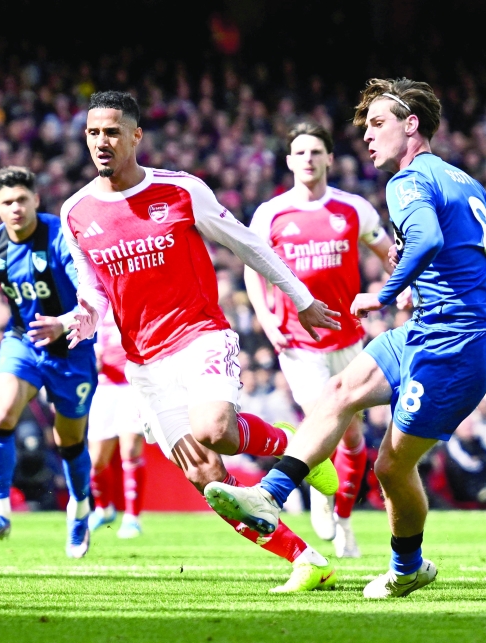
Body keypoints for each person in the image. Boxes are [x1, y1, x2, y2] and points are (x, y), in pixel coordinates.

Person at [203, 78, 486, 599]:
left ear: (411, 125)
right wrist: (423, 289)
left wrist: (387, 293)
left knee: (391, 466)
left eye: (377, 123)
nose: (366, 137)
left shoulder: (406, 180)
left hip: (457, 344)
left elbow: (431, 239)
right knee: (340, 393)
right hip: (430, 328)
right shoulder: (461, 179)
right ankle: (270, 495)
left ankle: (407, 566)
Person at [62, 90, 343, 593]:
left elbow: (247, 243)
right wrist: (76, 320)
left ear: (135, 136)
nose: (101, 142)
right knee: (209, 478)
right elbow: (94, 292)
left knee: (214, 429)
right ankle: (305, 558)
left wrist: (298, 297)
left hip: (199, 336)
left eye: (111, 132)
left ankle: (297, 449)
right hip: (143, 363)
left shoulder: (181, 191)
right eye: (92, 133)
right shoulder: (76, 212)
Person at [245, 121, 395, 558]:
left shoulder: (353, 209)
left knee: (352, 441)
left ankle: (344, 517)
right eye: (300, 153)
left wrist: (405, 287)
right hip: (298, 343)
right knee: (321, 419)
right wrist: (267, 319)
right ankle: (317, 495)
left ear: (330, 158)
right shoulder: (271, 214)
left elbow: (387, 253)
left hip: (348, 340)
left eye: (316, 152)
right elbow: (254, 268)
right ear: (289, 161)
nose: (308, 159)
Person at [0, 166, 98, 558]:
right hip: (24, 343)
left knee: (67, 440)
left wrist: (66, 322)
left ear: (36, 200)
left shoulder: (59, 238)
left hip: (72, 346)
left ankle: (80, 507)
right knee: (1, 414)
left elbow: (88, 291)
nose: (16, 207)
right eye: (7, 202)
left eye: (22, 199)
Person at [87, 306, 147, 539]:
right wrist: (92, 358)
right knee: (96, 460)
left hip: (133, 385)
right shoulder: (95, 298)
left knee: (130, 448)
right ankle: (104, 508)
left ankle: (133, 518)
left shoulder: (135, 294)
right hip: (105, 386)